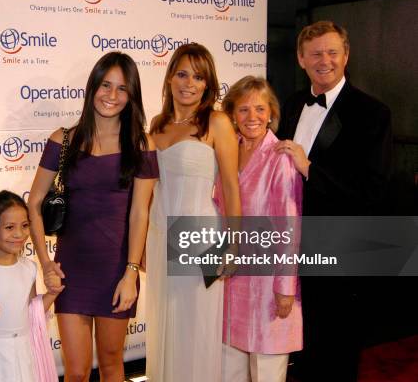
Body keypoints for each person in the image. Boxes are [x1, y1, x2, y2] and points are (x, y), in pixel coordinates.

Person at [27, 52, 158, 382]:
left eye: (122, 89)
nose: (111, 96)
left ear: (132, 97)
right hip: (71, 270)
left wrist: (131, 273)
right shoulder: (64, 140)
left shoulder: (141, 145)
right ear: (92, 87)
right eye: (105, 85)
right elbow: (35, 202)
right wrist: (45, 263)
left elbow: (141, 212)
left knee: (113, 366)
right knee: (75, 371)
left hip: (116, 270)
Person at [275, 20, 392, 381]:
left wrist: (309, 168)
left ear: (346, 55)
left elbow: (372, 190)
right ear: (300, 59)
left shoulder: (372, 113)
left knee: (338, 349)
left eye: (331, 52)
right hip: (292, 245)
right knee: (301, 344)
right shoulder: (291, 105)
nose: (323, 60)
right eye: (314, 54)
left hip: (342, 249)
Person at [146, 42, 241, 382]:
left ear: (208, 84)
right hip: (159, 236)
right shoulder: (156, 125)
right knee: (165, 325)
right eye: (182, 73)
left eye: (198, 77)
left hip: (201, 237)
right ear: (170, 77)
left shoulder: (216, 122)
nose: (189, 83)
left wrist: (233, 244)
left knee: (196, 329)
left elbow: (231, 186)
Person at [215, 76, 302, 382]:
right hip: (229, 281)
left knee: (266, 373)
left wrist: (285, 287)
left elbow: (289, 228)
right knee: (228, 373)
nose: (252, 117)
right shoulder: (225, 152)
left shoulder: (281, 157)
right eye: (243, 109)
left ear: (271, 113)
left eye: (260, 109)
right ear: (231, 115)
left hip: (268, 285)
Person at [0, 190, 59, 382]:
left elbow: (32, 312)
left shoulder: (29, 268)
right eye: (9, 227)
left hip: (23, 353)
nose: (19, 234)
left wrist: (53, 292)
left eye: (25, 226)